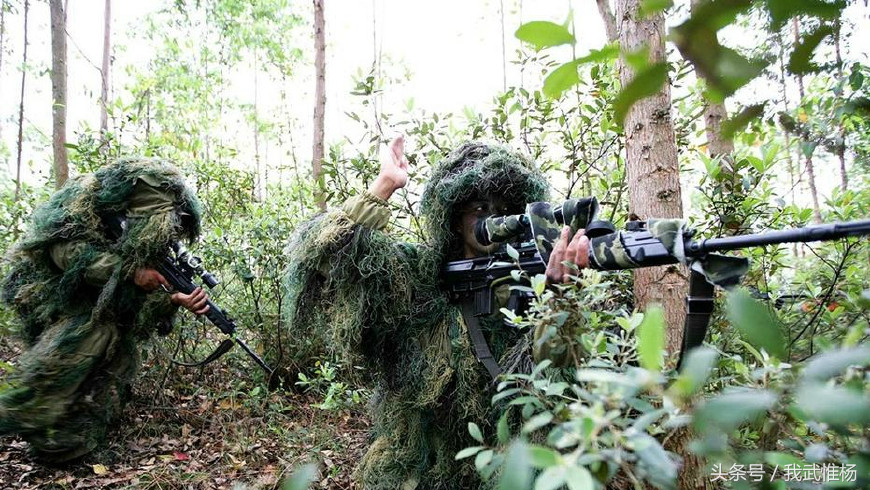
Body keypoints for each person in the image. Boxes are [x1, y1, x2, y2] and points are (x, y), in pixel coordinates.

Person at [285, 137, 590, 489]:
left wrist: (559, 299)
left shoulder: (528, 282)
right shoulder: (419, 274)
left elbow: (551, 382)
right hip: (419, 464)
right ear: (454, 216)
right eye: (479, 208)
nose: (493, 218)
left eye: (503, 208)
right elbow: (322, 260)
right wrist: (385, 185)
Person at [0, 158, 209, 463]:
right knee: (95, 332)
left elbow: (133, 310)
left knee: (113, 343)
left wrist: (174, 298)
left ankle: (63, 438)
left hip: (92, 309)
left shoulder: (142, 237)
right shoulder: (84, 205)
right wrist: (130, 272)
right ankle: (26, 412)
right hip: (51, 301)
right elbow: (66, 255)